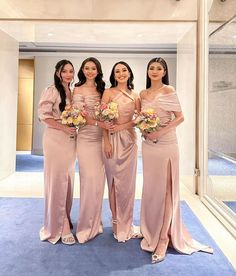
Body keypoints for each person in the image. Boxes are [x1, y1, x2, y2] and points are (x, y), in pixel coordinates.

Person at [139, 57, 213, 263]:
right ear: (148, 71)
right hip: (148, 146)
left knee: (167, 190)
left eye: (159, 68)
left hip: (166, 145)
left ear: (164, 72)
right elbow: (139, 116)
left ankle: (163, 237)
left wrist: (159, 132)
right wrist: (144, 129)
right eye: (151, 68)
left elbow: (180, 117)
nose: (154, 71)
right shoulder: (143, 93)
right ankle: (151, 229)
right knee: (152, 189)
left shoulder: (168, 90)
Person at [73, 57, 111, 243]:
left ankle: (95, 221)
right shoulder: (78, 89)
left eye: (93, 68)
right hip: (86, 138)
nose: (89, 71)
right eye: (86, 68)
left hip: (101, 139)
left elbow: (107, 114)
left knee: (98, 182)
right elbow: (78, 116)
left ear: (98, 71)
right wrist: (97, 121)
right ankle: (86, 225)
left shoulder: (103, 89)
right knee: (88, 181)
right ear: (82, 70)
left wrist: (106, 134)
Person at [102, 61, 141, 242]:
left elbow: (138, 119)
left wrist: (121, 127)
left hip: (129, 142)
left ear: (129, 73)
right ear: (113, 75)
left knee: (127, 185)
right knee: (113, 181)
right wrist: (107, 141)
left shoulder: (136, 95)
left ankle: (127, 223)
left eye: (124, 70)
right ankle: (117, 222)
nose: (121, 73)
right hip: (111, 141)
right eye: (117, 71)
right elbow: (103, 118)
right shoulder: (108, 93)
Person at [38, 59, 76, 245]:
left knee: (67, 180)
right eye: (65, 71)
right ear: (58, 73)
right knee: (57, 180)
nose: (68, 74)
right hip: (55, 140)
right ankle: (60, 226)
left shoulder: (73, 91)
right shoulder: (51, 90)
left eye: (71, 71)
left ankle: (64, 217)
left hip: (70, 141)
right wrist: (64, 128)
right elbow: (43, 116)